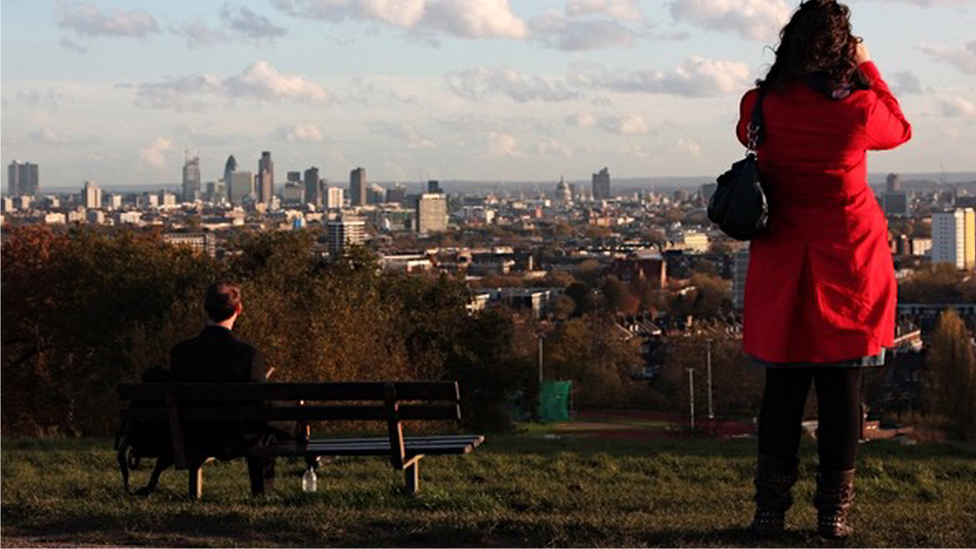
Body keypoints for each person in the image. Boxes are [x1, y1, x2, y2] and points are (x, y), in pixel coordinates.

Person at [736, 0, 911, 539]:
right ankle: (832, 516)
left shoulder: (761, 104)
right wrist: (869, 67)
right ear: (842, 48)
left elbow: (747, 137)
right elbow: (900, 129)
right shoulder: (859, 107)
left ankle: (769, 512)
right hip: (850, 261)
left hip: (783, 259)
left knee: (782, 394)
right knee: (843, 396)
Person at [170, 280, 277, 495]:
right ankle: (262, 493)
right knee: (272, 427)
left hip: (194, 435)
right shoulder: (248, 354)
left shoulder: (181, 353)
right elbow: (260, 407)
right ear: (239, 309)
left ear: (204, 308)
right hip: (239, 438)